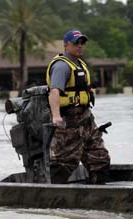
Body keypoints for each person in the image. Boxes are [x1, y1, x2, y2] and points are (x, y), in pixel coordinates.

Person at [45, 29, 110, 184]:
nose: (80, 46)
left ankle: (98, 192)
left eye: (82, 43)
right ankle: (53, 197)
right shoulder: (62, 66)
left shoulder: (79, 64)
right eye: (76, 43)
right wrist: (56, 116)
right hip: (68, 121)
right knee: (64, 164)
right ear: (66, 45)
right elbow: (54, 92)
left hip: (86, 120)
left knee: (100, 159)